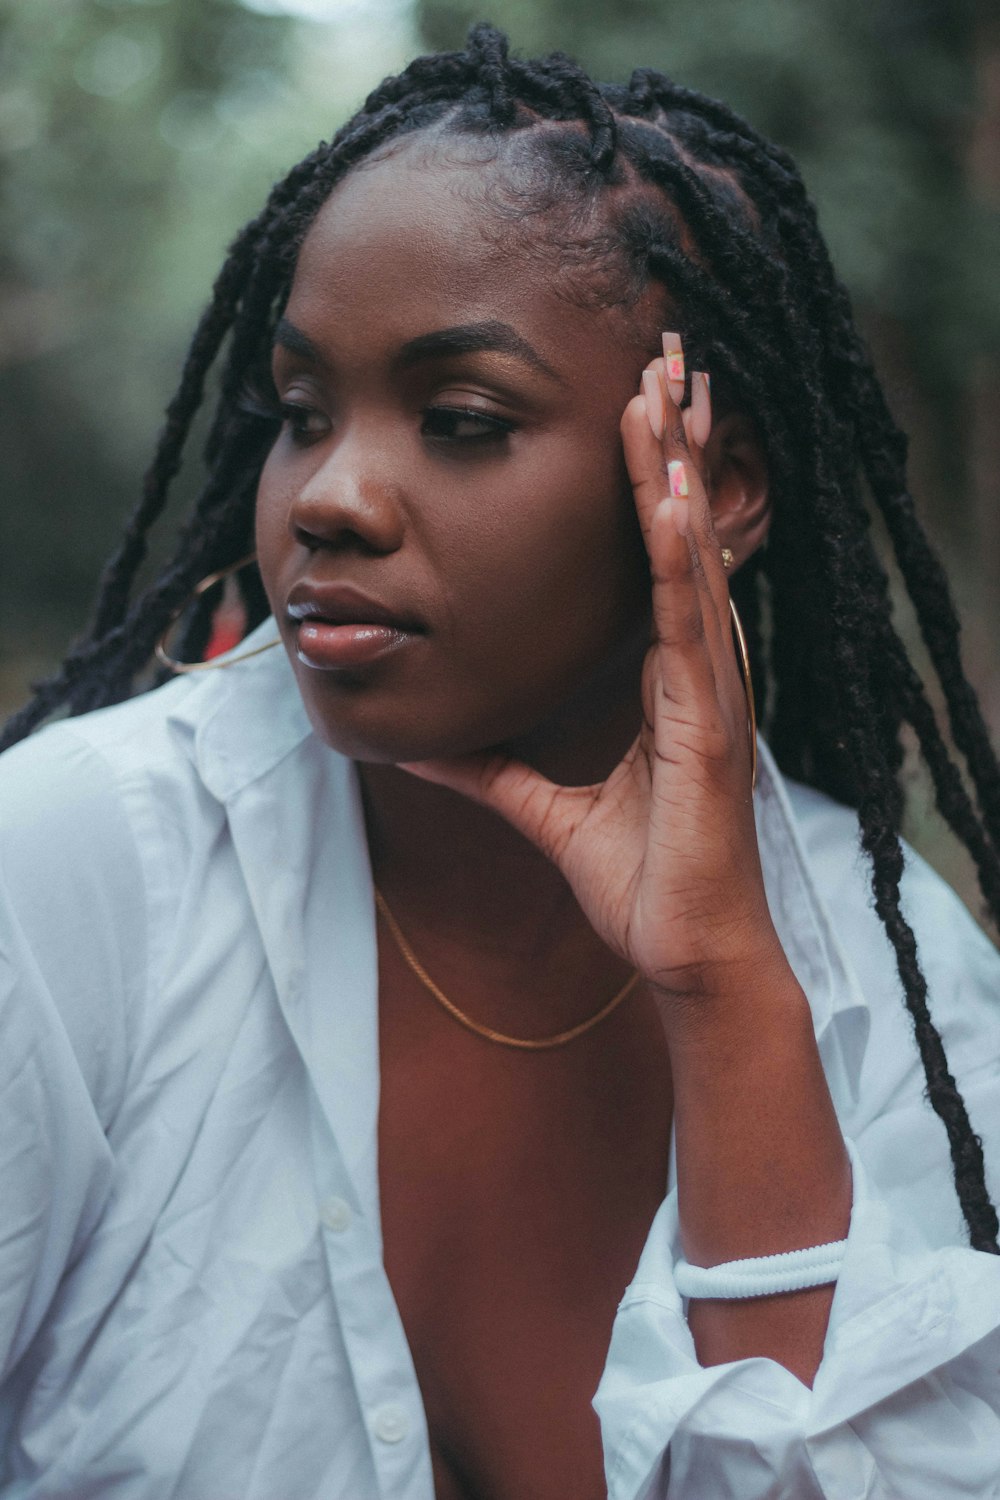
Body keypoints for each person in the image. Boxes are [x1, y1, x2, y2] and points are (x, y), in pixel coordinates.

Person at [1, 21, 998, 1499]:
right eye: (299, 413)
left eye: (462, 420)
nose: (328, 497)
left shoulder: (898, 981)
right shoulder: (76, 872)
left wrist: (726, 990)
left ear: (713, 486)